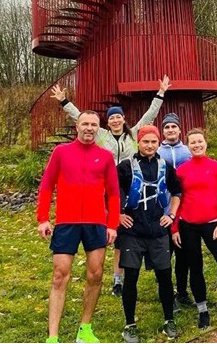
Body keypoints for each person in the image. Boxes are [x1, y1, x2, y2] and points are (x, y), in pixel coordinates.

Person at [50, 75, 171, 296]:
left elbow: (150, 115)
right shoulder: (101, 136)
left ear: (124, 119)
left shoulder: (133, 134)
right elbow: (80, 117)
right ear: (107, 122)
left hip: (128, 187)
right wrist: (64, 101)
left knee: (122, 235)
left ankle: (119, 278)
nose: (115, 120)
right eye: (112, 118)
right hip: (103, 187)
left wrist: (160, 93)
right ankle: (115, 278)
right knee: (110, 228)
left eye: (118, 117)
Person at [37, 111, 120, 344]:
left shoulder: (105, 156)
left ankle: (85, 329)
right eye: (85, 124)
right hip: (67, 222)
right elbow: (47, 185)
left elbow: (113, 193)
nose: (89, 128)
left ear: (98, 128)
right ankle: (53, 336)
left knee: (95, 274)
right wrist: (43, 218)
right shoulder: (61, 152)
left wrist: (112, 224)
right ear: (77, 126)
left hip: (96, 223)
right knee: (59, 275)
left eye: (94, 124)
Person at [117, 125, 182, 342]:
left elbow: (177, 191)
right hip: (132, 232)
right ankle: (130, 324)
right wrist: (118, 215)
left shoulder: (165, 166)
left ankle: (169, 320)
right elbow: (111, 192)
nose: (150, 145)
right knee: (131, 279)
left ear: (158, 142)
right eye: (146, 141)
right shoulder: (125, 167)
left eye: (154, 142)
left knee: (165, 276)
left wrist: (171, 215)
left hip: (158, 232)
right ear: (139, 142)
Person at [171, 128, 217, 331]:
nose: (197, 145)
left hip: (212, 223)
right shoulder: (181, 170)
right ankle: (202, 310)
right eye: (192, 142)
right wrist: (175, 228)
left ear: (205, 143)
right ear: (188, 146)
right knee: (195, 267)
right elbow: (177, 200)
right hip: (188, 225)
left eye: (200, 141)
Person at [157, 113, 193, 309]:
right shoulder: (157, 152)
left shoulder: (187, 151)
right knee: (164, 253)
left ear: (180, 130)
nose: (170, 130)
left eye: (173, 126)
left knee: (183, 253)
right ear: (163, 131)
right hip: (163, 207)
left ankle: (182, 291)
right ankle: (166, 291)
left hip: (185, 207)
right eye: (167, 127)